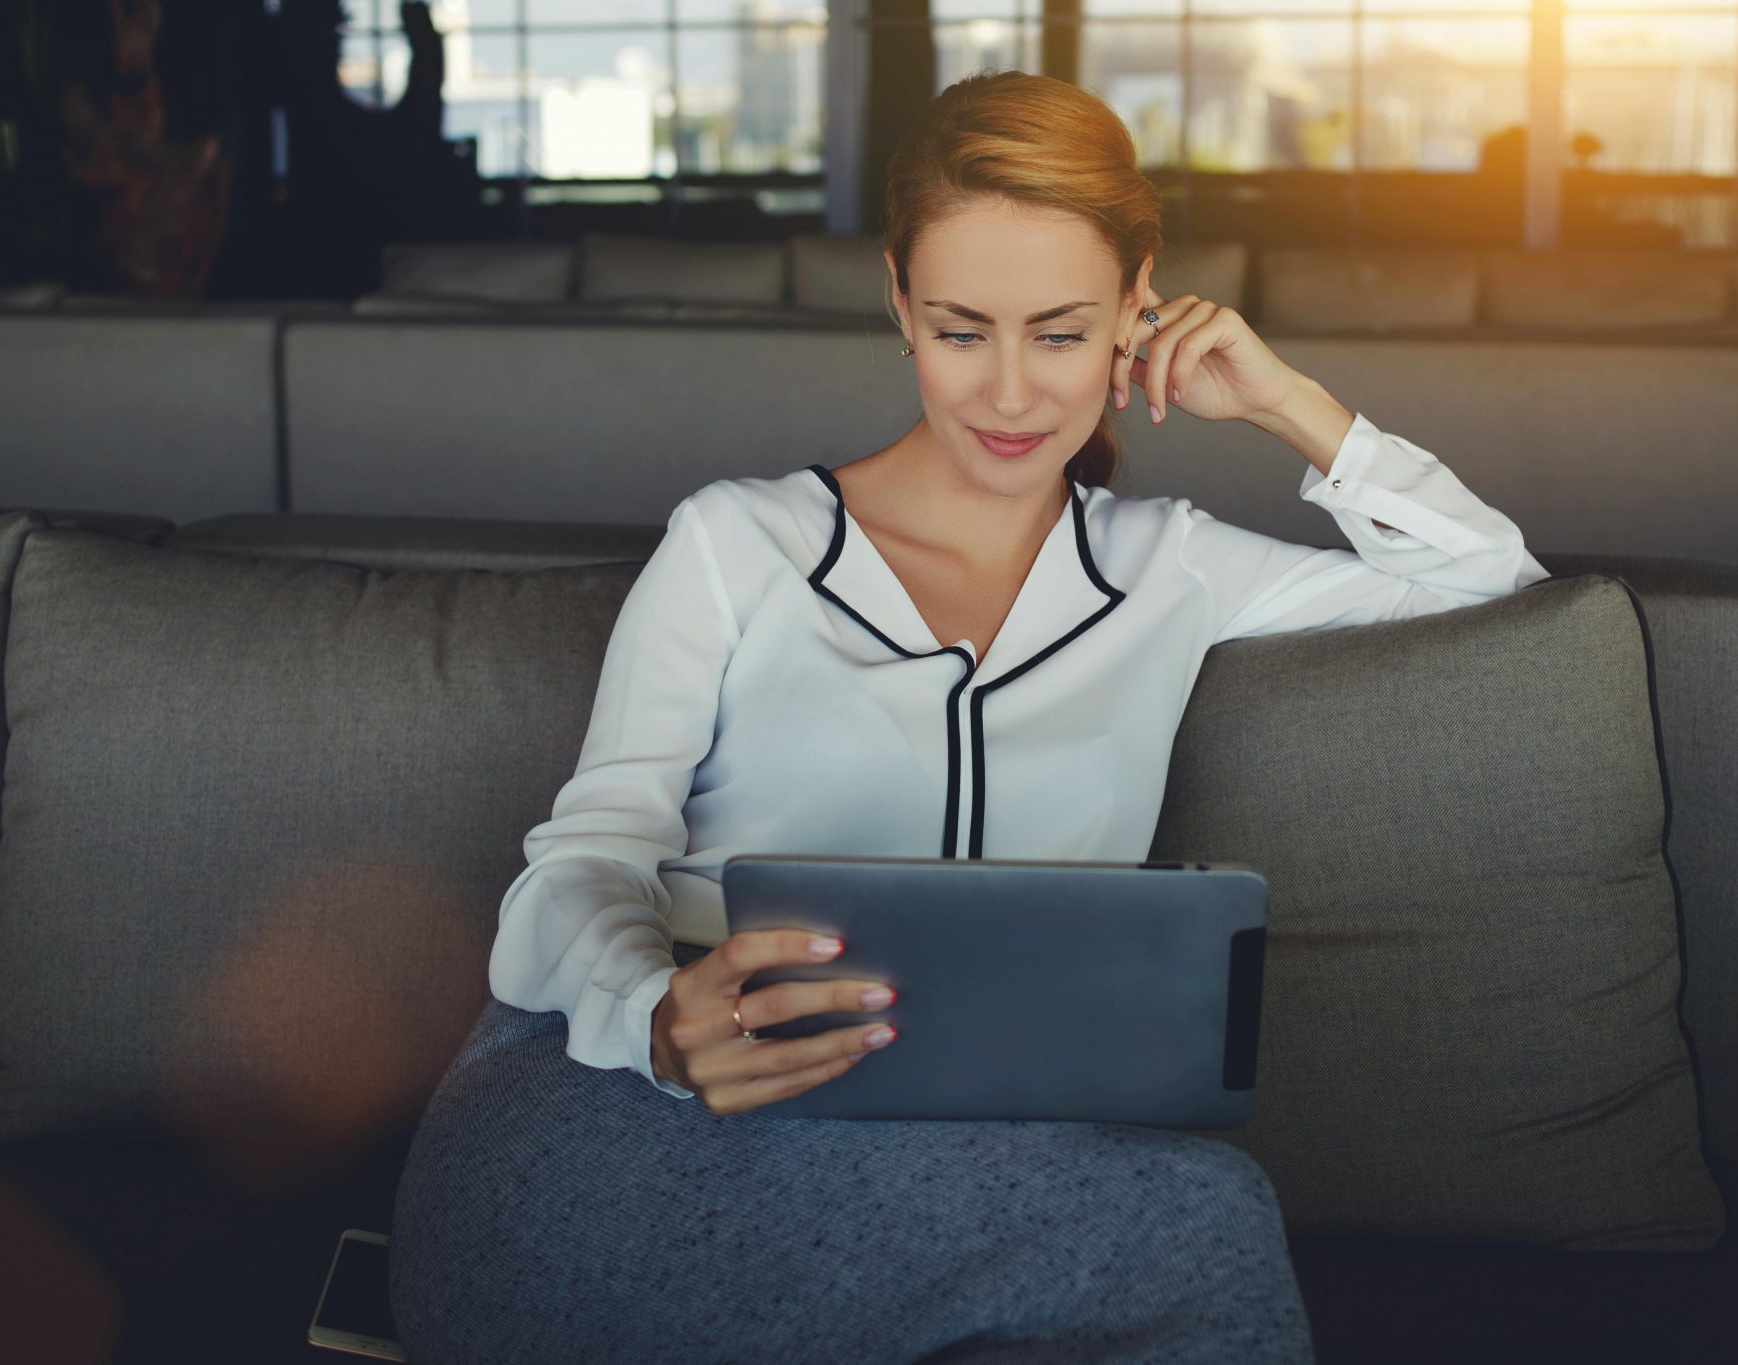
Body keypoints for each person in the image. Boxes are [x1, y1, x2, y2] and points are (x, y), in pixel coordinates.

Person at [388, 70, 1546, 1363]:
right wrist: (658, 1014)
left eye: (1060, 333)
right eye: (960, 329)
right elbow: (579, 863)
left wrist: (1284, 400)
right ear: (898, 304)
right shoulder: (740, 541)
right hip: (616, 1116)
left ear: (1135, 307)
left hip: (962, 1167)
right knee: (1194, 1222)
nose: (1007, 394)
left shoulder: (1175, 564)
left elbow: (1495, 585)